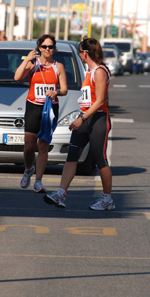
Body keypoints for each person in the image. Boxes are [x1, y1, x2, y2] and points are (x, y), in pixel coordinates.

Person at [44, 37, 114, 211]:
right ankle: (61, 193)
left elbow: (99, 101)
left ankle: (107, 199)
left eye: (80, 52)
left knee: (100, 159)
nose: (79, 55)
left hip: (97, 119)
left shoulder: (99, 71)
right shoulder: (89, 71)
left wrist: (81, 119)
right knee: (72, 155)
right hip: (85, 117)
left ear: (85, 53)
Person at [14, 34, 67, 193]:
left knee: (43, 145)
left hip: (50, 108)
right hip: (33, 106)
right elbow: (17, 77)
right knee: (29, 146)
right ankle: (28, 168)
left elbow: (64, 89)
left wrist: (55, 92)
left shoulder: (58, 67)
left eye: (50, 47)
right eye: (44, 47)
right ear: (39, 48)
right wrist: (26, 60)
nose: (47, 49)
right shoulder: (33, 64)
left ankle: (38, 180)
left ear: (54, 49)